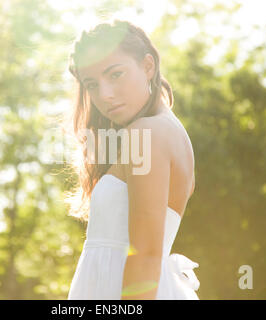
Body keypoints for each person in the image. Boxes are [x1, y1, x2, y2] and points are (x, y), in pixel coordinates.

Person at [64, 19, 200, 300]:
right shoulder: (163, 131)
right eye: (92, 84)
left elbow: (147, 254)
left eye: (115, 74)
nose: (105, 95)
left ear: (148, 66)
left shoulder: (147, 132)